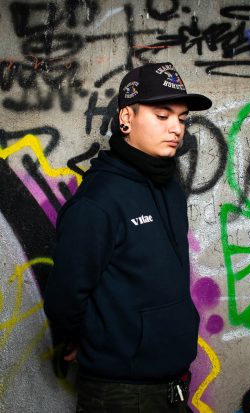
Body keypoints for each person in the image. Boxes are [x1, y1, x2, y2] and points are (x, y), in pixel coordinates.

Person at [44, 61, 212, 413]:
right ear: (126, 118)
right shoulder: (98, 201)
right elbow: (65, 295)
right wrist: (74, 339)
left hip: (173, 386)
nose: (176, 128)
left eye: (181, 118)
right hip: (120, 396)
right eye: (162, 115)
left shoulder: (169, 188)